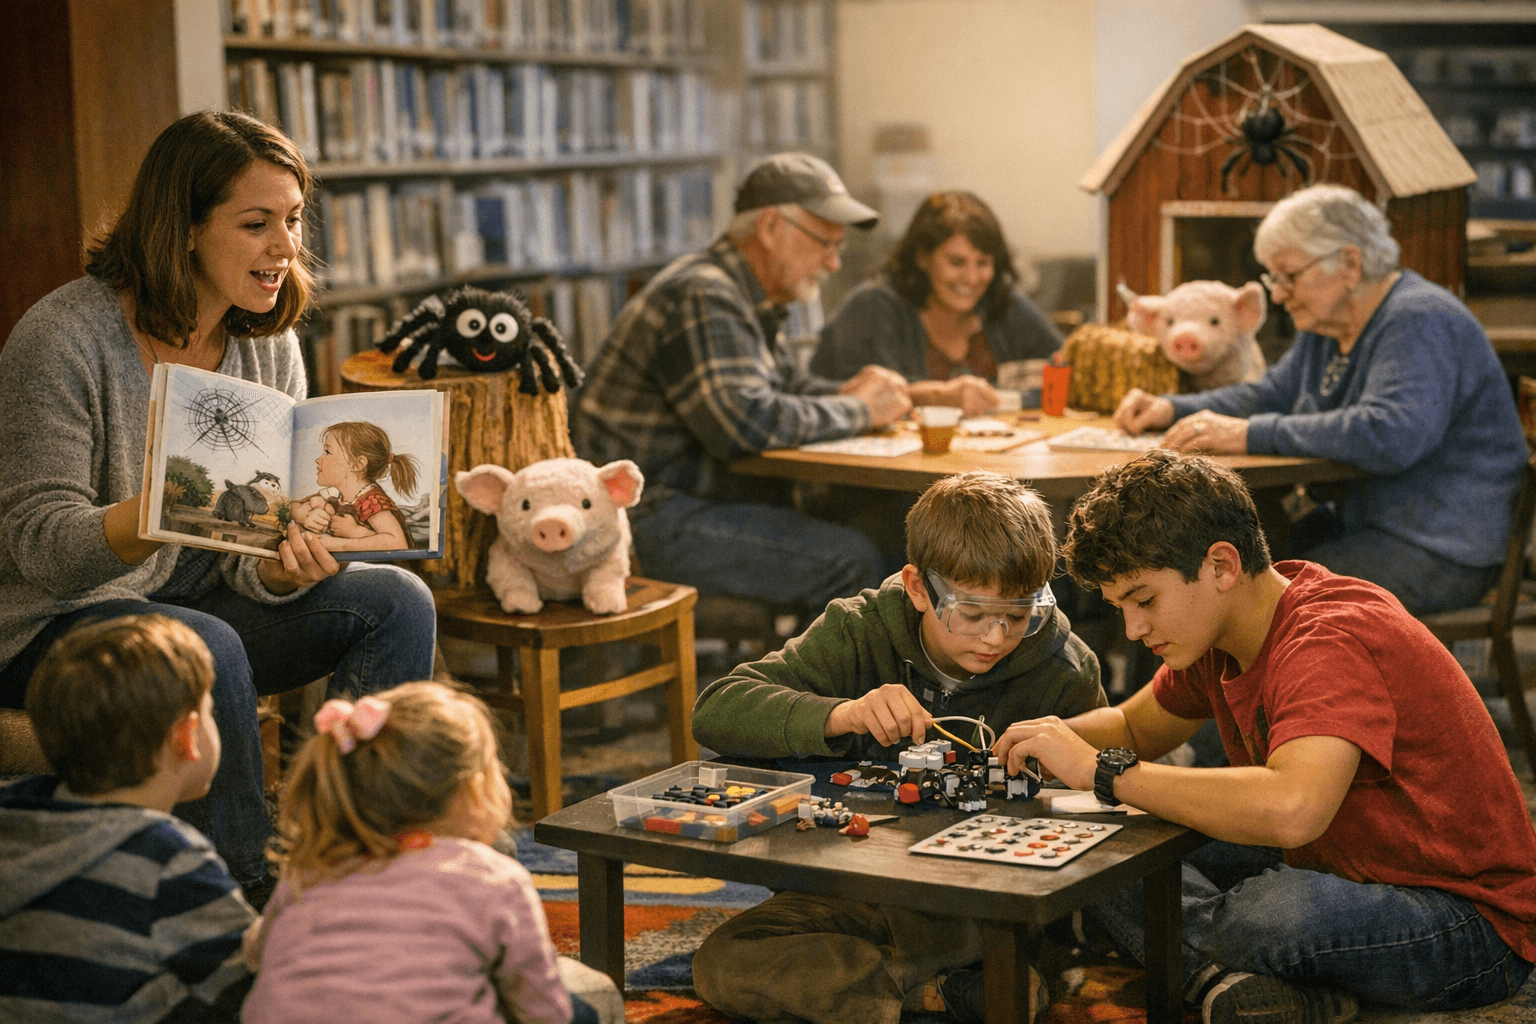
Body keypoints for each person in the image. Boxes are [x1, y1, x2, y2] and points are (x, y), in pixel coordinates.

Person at [0, 110, 436, 904]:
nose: (285, 248)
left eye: (294, 222)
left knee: (397, 599)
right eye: (256, 224)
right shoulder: (62, 338)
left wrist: (280, 565)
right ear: (185, 228)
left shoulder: (267, 342)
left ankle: (352, 866)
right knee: (200, 644)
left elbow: (247, 560)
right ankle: (235, 903)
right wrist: (161, 506)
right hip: (56, 621)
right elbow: (40, 549)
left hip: (198, 600)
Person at [994, 450, 1536, 1024]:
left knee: (1271, 912)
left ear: (1222, 566)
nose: (1134, 629)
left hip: (1469, 925)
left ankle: (1202, 966)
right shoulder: (1218, 628)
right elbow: (1133, 727)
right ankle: (1239, 986)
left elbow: (1291, 810)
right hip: (1338, 866)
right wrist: (1040, 741)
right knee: (1097, 841)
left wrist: (1105, 772)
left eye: (1145, 600)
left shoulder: (1327, 639)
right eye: (1121, 608)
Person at [690, 471, 1105, 1024]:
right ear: (916, 586)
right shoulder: (859, 629)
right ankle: (939, 991)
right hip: (851, 889)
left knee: (1022, 935)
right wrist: (842, 713)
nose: (996, 637)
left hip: (978, 898)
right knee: (722, 964)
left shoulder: (1064, 668)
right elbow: (717, 707)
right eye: (972, 613)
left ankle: (919, 981)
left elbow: (1098, 812)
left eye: (1018, 614)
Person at [1113, 183, 1528, 614]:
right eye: (1273, 277)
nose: (1276, 293)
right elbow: (1270, 394)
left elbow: (1389, 433)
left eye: (1288, 275)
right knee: (1201, 567)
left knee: (1240, 595)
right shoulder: (1326, 325)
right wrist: (1172, 408)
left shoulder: (1418, 319)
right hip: (1371, 527)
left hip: (1442, 548)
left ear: (1350, 263)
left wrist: (1250, 434)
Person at [571, 151, 913, 621]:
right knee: (847, 560)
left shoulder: (746, 295)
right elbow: (746, 422)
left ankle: (893, 688)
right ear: (771, 229)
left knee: (891, 527)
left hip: (691, 505)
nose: (833, 263)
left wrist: (915, 396)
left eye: (839, 247)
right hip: (644, 520)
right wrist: (860, 410)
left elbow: (788, 389)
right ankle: (814, 696)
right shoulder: (704, 293)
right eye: (824, 244)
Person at [242, 681, 622, 1024]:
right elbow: (543, 1010)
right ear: (475, 791)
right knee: (586, 1009)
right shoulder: (494, 879)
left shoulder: (310, 869)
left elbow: (256, 954)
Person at [0, 614, 256, 1022]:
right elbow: (250, 989)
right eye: (210, 710)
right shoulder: (171, 861)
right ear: (186, 735)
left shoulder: (13, 815)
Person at [814, 190, 1062, 416]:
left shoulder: (1005, 304)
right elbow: (839, 398)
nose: (972, 278)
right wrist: (938, 396)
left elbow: (1063, 366)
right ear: (922, 257)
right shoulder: (873, 308)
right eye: (957, 262)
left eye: (983, 263)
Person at [289, 420, 422, 551]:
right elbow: (292, 506)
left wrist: (353, 533)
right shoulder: (336, 495)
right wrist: (305, 515)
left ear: (357, 464)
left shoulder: (371, 500)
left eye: (328, 452)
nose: (318, 459)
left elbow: (398, 543)